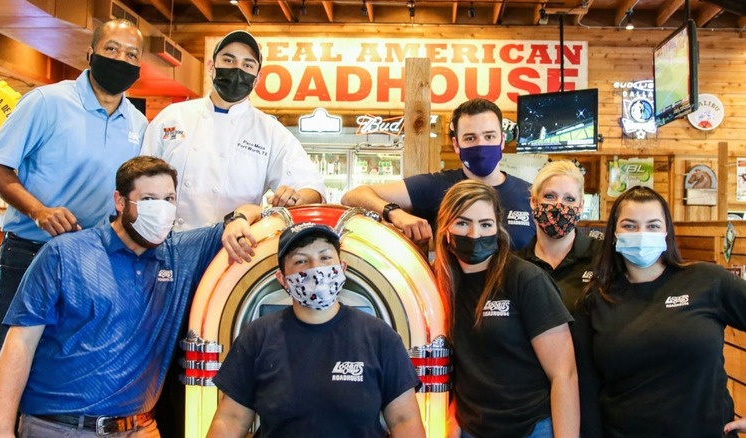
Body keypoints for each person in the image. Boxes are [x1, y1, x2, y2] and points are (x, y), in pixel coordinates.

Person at [0, 156, 229, 438]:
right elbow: (20, 342)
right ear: (120, 201)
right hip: (60, 427)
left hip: (140, 427)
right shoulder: (64, 254)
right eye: (149, 199)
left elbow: (253, 217)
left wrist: (238, 220)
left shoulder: (180, 255)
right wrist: (0, 427)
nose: (161, 210)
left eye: (169, 199)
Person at [0, 18, 147, 355]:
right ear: (90, 54)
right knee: (17, 362)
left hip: (92, 259)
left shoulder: (138, 124)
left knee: (71, 363)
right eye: (111, 49)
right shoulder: (46, 102)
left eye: (131, 55)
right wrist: (39, 211)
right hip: (31, 251)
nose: (121, 59)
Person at [207, 222, 425, 437]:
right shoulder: (257, 336)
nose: (315, 268)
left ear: (342, 268)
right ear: (283, 279)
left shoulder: (380, 337)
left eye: (325, 257)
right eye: (301, 261)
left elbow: (404, 420)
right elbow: (231, 419)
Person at [576, 186, 746, 437]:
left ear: (666, 232)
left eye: (653, 226)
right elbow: (587, 389)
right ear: (614, 234)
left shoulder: (707, 281)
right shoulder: (595, 299)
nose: (642, 234)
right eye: (630, 226)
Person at [140, 29, 325, 236]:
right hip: (167, 241)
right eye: (229, 61)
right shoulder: (172, 117)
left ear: (257, 78)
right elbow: (140, 179)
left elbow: (311, 187)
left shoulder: (270, 132)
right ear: (212, 67)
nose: (237, 70)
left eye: (247, 65)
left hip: (230, 248)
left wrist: (294, 197)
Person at [434, 179, 578, 438]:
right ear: (445, 228)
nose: (474, 234)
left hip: (531, 428)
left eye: (485, 224)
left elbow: (564, 375)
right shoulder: (440, 286)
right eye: (463, 223)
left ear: (498, 228)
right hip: (472, 429)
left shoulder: (525, 279)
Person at [341, 98, 535, 250]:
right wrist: (394, 212)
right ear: (456, 145)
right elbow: (354, 196)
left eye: (489, 136)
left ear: (502, 140)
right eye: (470, 138)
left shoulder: (530, 194)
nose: (480, 144)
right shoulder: (436, 186)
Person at [517, 160, 602, 311]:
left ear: (581, 206)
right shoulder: (516, 264)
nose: (559, 206)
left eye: (569, 199)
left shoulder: (602, 256)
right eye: (550, 196)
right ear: (534, 202)